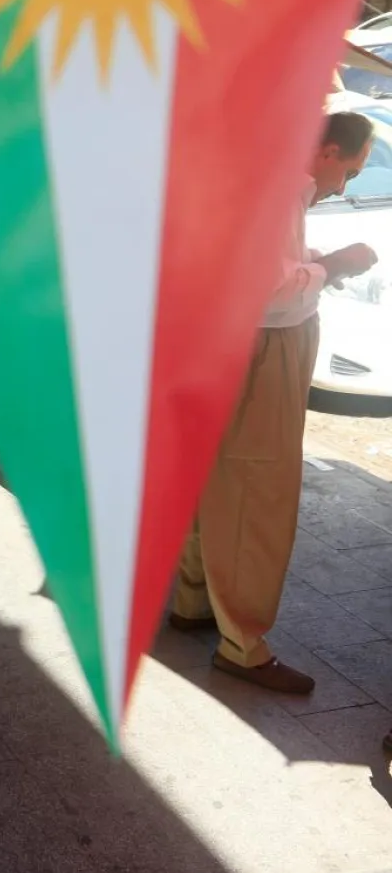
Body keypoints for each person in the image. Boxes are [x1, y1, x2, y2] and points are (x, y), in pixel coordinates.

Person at [173, 111, 378, 693]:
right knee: (255, 491)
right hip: (263, 349)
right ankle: (242, 644)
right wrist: (335, 264)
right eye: (351, 172)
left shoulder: (259, 175)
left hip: (227, 343)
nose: (345, 185)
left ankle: (193, 600)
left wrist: (313, 260)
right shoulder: (283, 187)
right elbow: (265, 288)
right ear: (329, 151)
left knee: (214, 475)